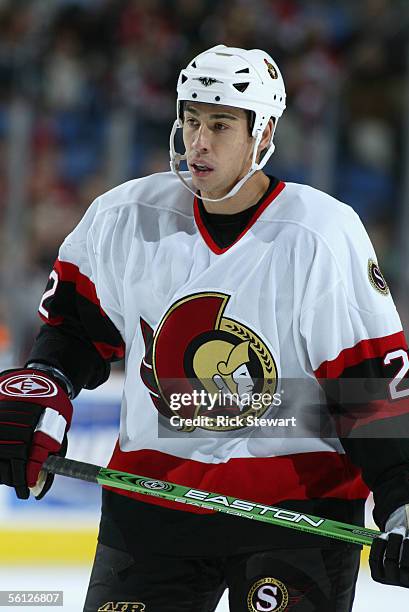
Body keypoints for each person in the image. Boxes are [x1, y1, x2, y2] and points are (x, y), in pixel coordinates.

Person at [0, 44, 408, 611]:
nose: (199, 141)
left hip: (295, 514)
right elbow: (74, 331)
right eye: (191, 120)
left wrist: (402, 499)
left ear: (262, 135)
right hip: (152, 507)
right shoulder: (125, 217)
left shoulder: (321, 235)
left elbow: (370, 388)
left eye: (220, 124)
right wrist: (43, 385)